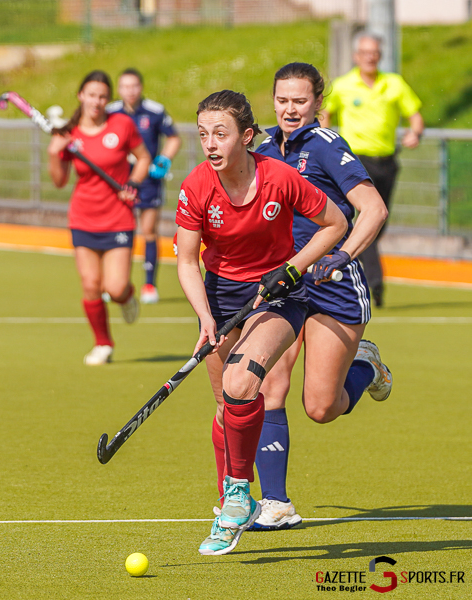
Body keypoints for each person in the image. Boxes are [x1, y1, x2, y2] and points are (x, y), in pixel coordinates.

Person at [175, 90, 348, 555]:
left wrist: (293, 268)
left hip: (278, 295)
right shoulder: (196, 186)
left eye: (221, 134)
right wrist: (204, 318)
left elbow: (335, 223)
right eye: (203, 134)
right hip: (220, 296)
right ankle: (230, 504)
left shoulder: (280, 177)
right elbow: (187, 261)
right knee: (224, 406)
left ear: (247, 136)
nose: (211, 144)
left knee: (241, 384)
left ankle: (238, 497)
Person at [250, 62, 394, 531]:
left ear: (317, 104)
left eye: (300, 101)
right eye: (282, 100)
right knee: (268, 385)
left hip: (333, 288)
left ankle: (367, 366)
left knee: (320, 408)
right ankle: (276, 503)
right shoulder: (262, 149)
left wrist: (344, 255)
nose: (290, 109)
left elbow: (373, 209)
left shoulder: (328, 146)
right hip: (285, 286)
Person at [48, 70, 152, 365]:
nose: (97, 101)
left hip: (118, 218)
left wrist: (133, 183)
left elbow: (143, 157)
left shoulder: (122, 124)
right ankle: (103, 344)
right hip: (83, 218)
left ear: (109, 99)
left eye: (103, 96)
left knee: (115, 288)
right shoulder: (68, 133)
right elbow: (59, 181)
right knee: (91, 284)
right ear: (81, 95)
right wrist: (54, 153)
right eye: (92, 95)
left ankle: (127, 296)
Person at [321, 31, 424, 308]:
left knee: (379, 221)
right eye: (365, 52)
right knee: (368, 216)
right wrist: (325, 139)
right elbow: (325, 113)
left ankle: (366, 273)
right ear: (356, 56)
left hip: (387, 161)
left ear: (380, 55)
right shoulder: (343, 85)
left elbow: (415, 116)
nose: (370, 57)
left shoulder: (394, 83)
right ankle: (375, 281)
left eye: (375, 52)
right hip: (355, 161)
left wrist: (415, 133)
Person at [107, 68, 182, 305]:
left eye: (134, 86)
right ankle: (117, 283)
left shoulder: (155, 111)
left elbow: (173, 137)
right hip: (119, 180)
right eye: (125, 86)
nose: (130, 91)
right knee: (119, 231)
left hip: (149, 180)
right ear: (119, 89)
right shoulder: (111, 112)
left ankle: (150, 284)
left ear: (141, 87)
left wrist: (164, 160)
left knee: (148, 230)